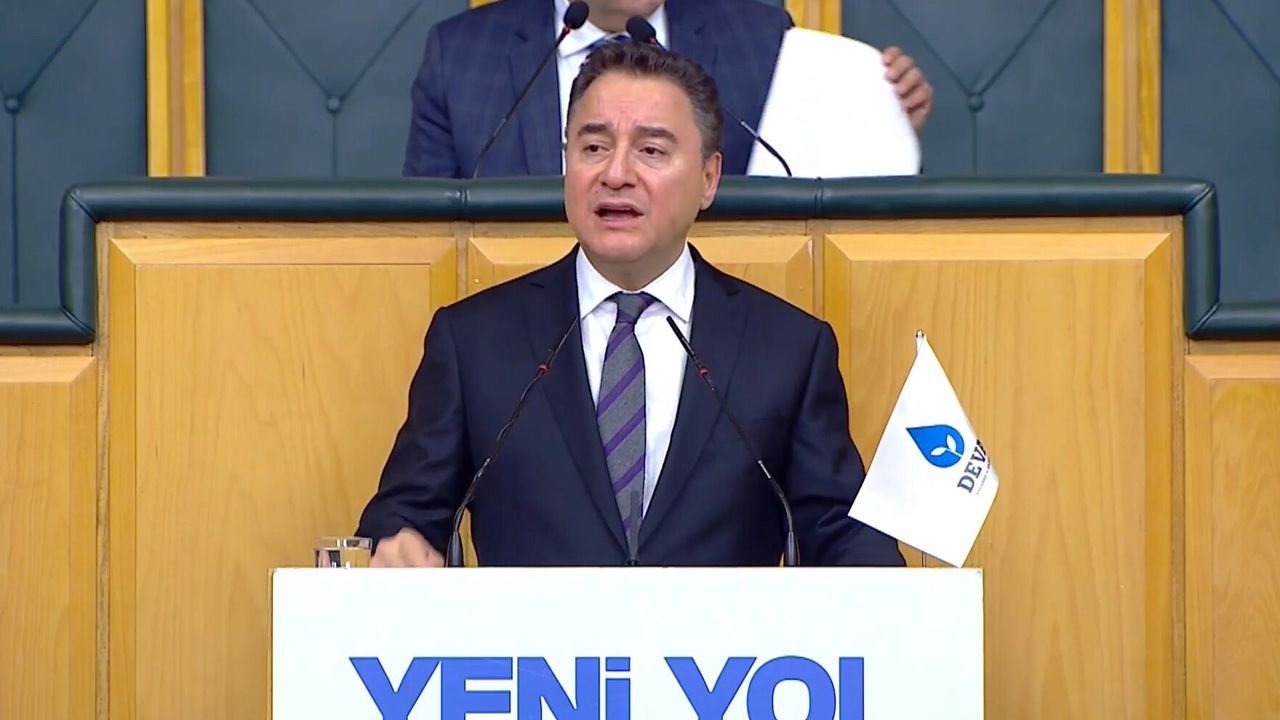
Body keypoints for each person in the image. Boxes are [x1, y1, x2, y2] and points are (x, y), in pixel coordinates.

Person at [359, 40, 903, 568]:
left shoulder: (787, 347)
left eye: (651, 150)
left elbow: (839, 536)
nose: (616, 174)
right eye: (594, 147)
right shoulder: (474, 341)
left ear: (709, 178)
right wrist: (396, 546)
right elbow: (401, 519)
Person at [403, 0, 932, 178]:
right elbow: (426, 238)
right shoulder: (462, 57)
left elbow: (816, 193)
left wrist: (881, 115)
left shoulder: (759, 39)